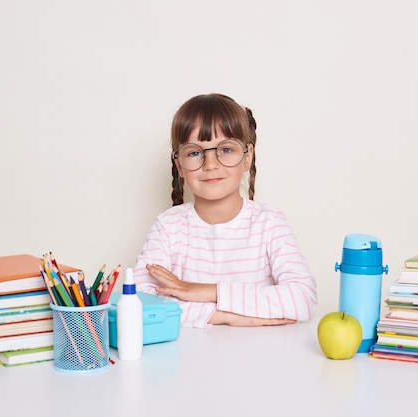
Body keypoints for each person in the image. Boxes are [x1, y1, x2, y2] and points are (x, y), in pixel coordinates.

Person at [132, 93, 317, 328]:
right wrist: (224, 316)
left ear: (247, 157)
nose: (210, 164)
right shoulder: (168, 226)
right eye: (195, 152)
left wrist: (207, 292)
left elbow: (303, 298)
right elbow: (138, 302)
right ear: (180, 165)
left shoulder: (269, 223)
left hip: (262, 357)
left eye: (226, 149)